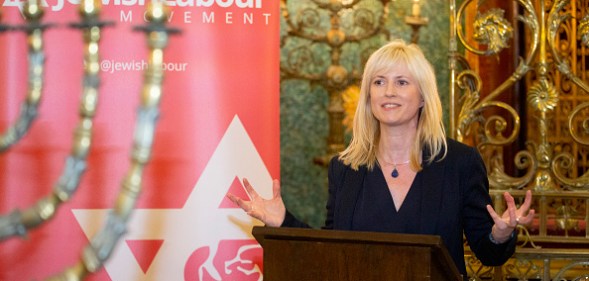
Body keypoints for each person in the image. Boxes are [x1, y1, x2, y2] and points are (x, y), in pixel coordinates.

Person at [228, 39, 534, 279]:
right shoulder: (345, 167)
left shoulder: (459, 163)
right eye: (378, 82)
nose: (388, 92)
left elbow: (488, 254)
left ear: (423, 96)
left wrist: (500, 233)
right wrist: (283, 222)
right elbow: (331, 250)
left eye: (402, 82)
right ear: (368, 95)